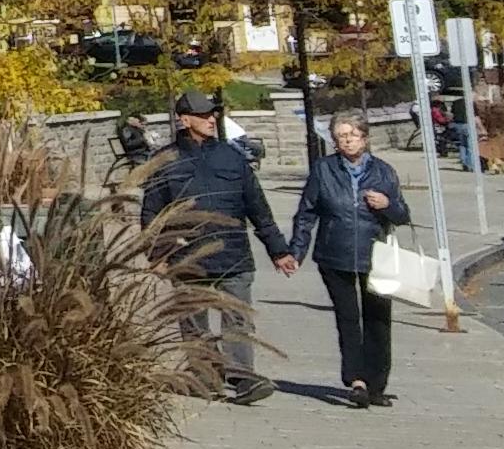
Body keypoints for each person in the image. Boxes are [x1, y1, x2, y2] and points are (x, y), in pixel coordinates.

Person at [138, 88, 293, 405]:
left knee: (237, 320)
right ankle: (204, 378)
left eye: (213, 114)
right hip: (188, 257)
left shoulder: (231, 156)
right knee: (194, 323)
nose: (212, 119)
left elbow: (258, 208)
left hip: (234, 255)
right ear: (184, 120)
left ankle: (243, 378)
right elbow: (151, 213)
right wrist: (155, 253)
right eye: (204, 115)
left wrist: (279, 250)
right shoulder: (165, 161)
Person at [292, 115, 413, 408]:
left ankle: (376, 384)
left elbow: (403, 214)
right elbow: (306, 213)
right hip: (336, 253)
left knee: (378, 320)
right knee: (348, 318)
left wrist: (388, 205)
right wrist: (295, 252)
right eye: (340, 136)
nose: (346, 140)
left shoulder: (383, 172)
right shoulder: (324, 170)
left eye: (352, 134)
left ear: (365, 138)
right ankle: (356, 380)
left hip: (376, 255)